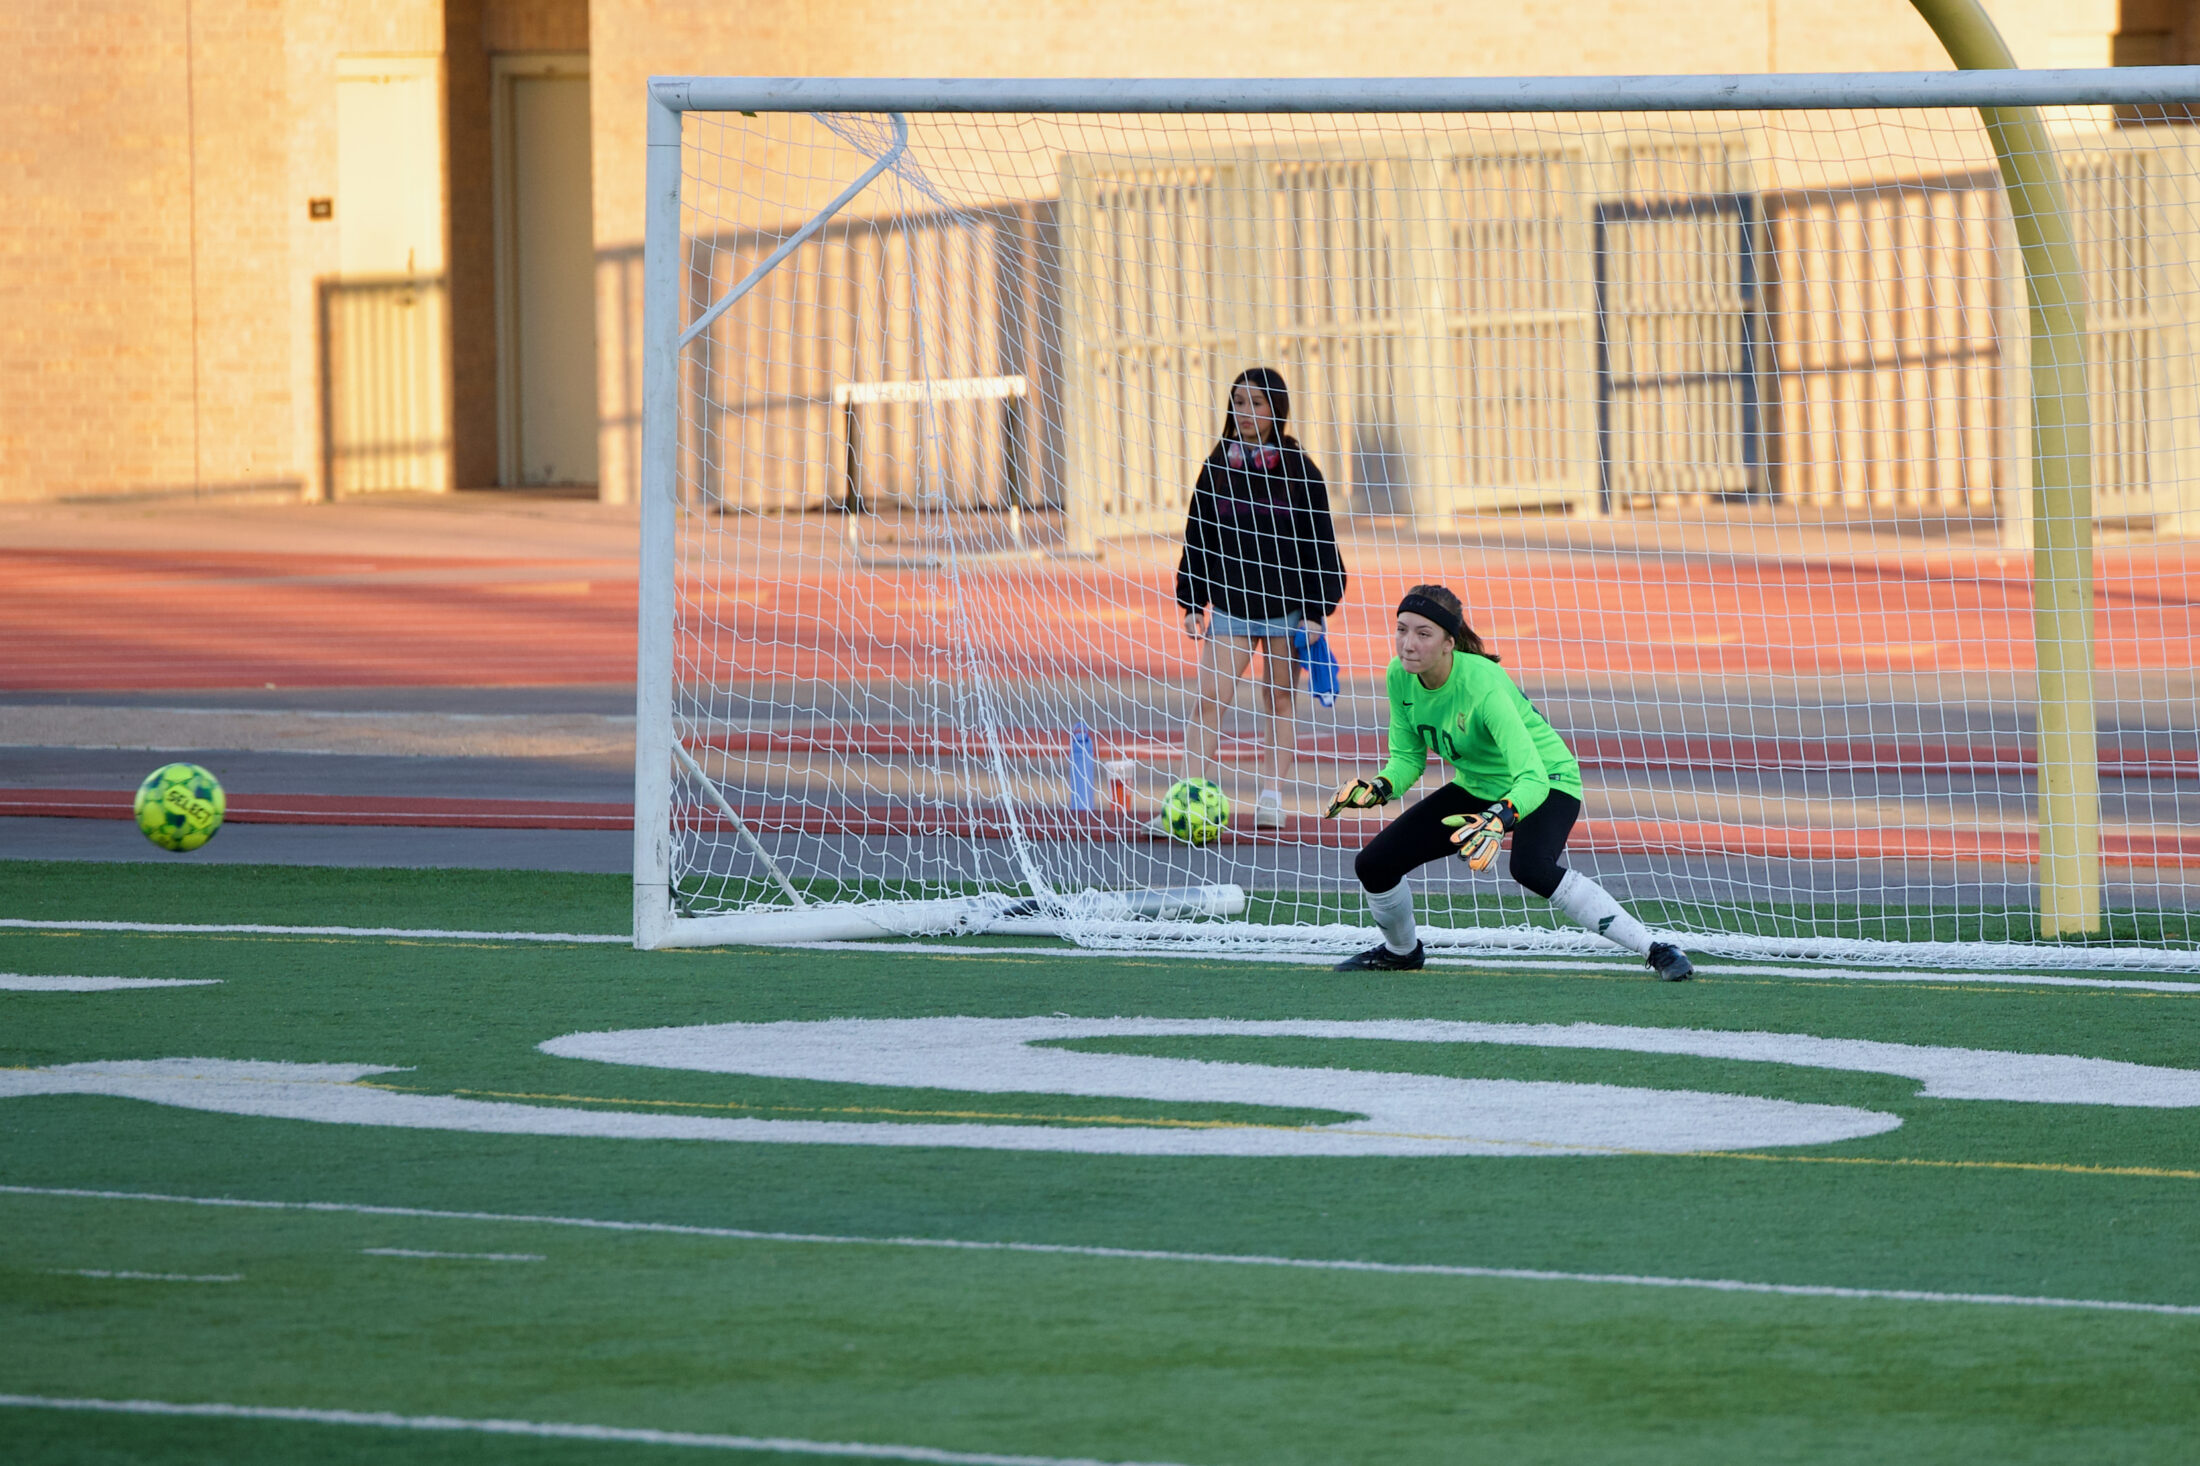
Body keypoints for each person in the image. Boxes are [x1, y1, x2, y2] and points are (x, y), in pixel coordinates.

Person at [1325, 584, 1693, 979]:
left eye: (1423, 633)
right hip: (1480, 785)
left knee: (1531, 867)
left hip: (1548, 780)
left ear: (1449, 643)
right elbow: (1407, 758)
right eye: (1402, 629)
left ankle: (1656, 949)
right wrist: (1380, 787)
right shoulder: (1399, 676)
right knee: (1374, 864)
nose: (1408, 644)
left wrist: (1499, 819)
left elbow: (1532, 777)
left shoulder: (1482, 686)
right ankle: (1402, 953)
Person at [1173, 367, 1346, 829]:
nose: (1245, 412)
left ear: (1276, 409)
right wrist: (1191, 600)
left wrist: (1316, 612)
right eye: (1239, 403)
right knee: (1210, 698)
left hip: (1286, 610)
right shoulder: (1217, 466)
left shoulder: (1299, 469)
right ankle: (1186, 796)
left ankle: (1271, 798)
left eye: (1256, 403)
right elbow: (1198, 537)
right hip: (1231, 605)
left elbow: (1320, 544)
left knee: (1280, 699)